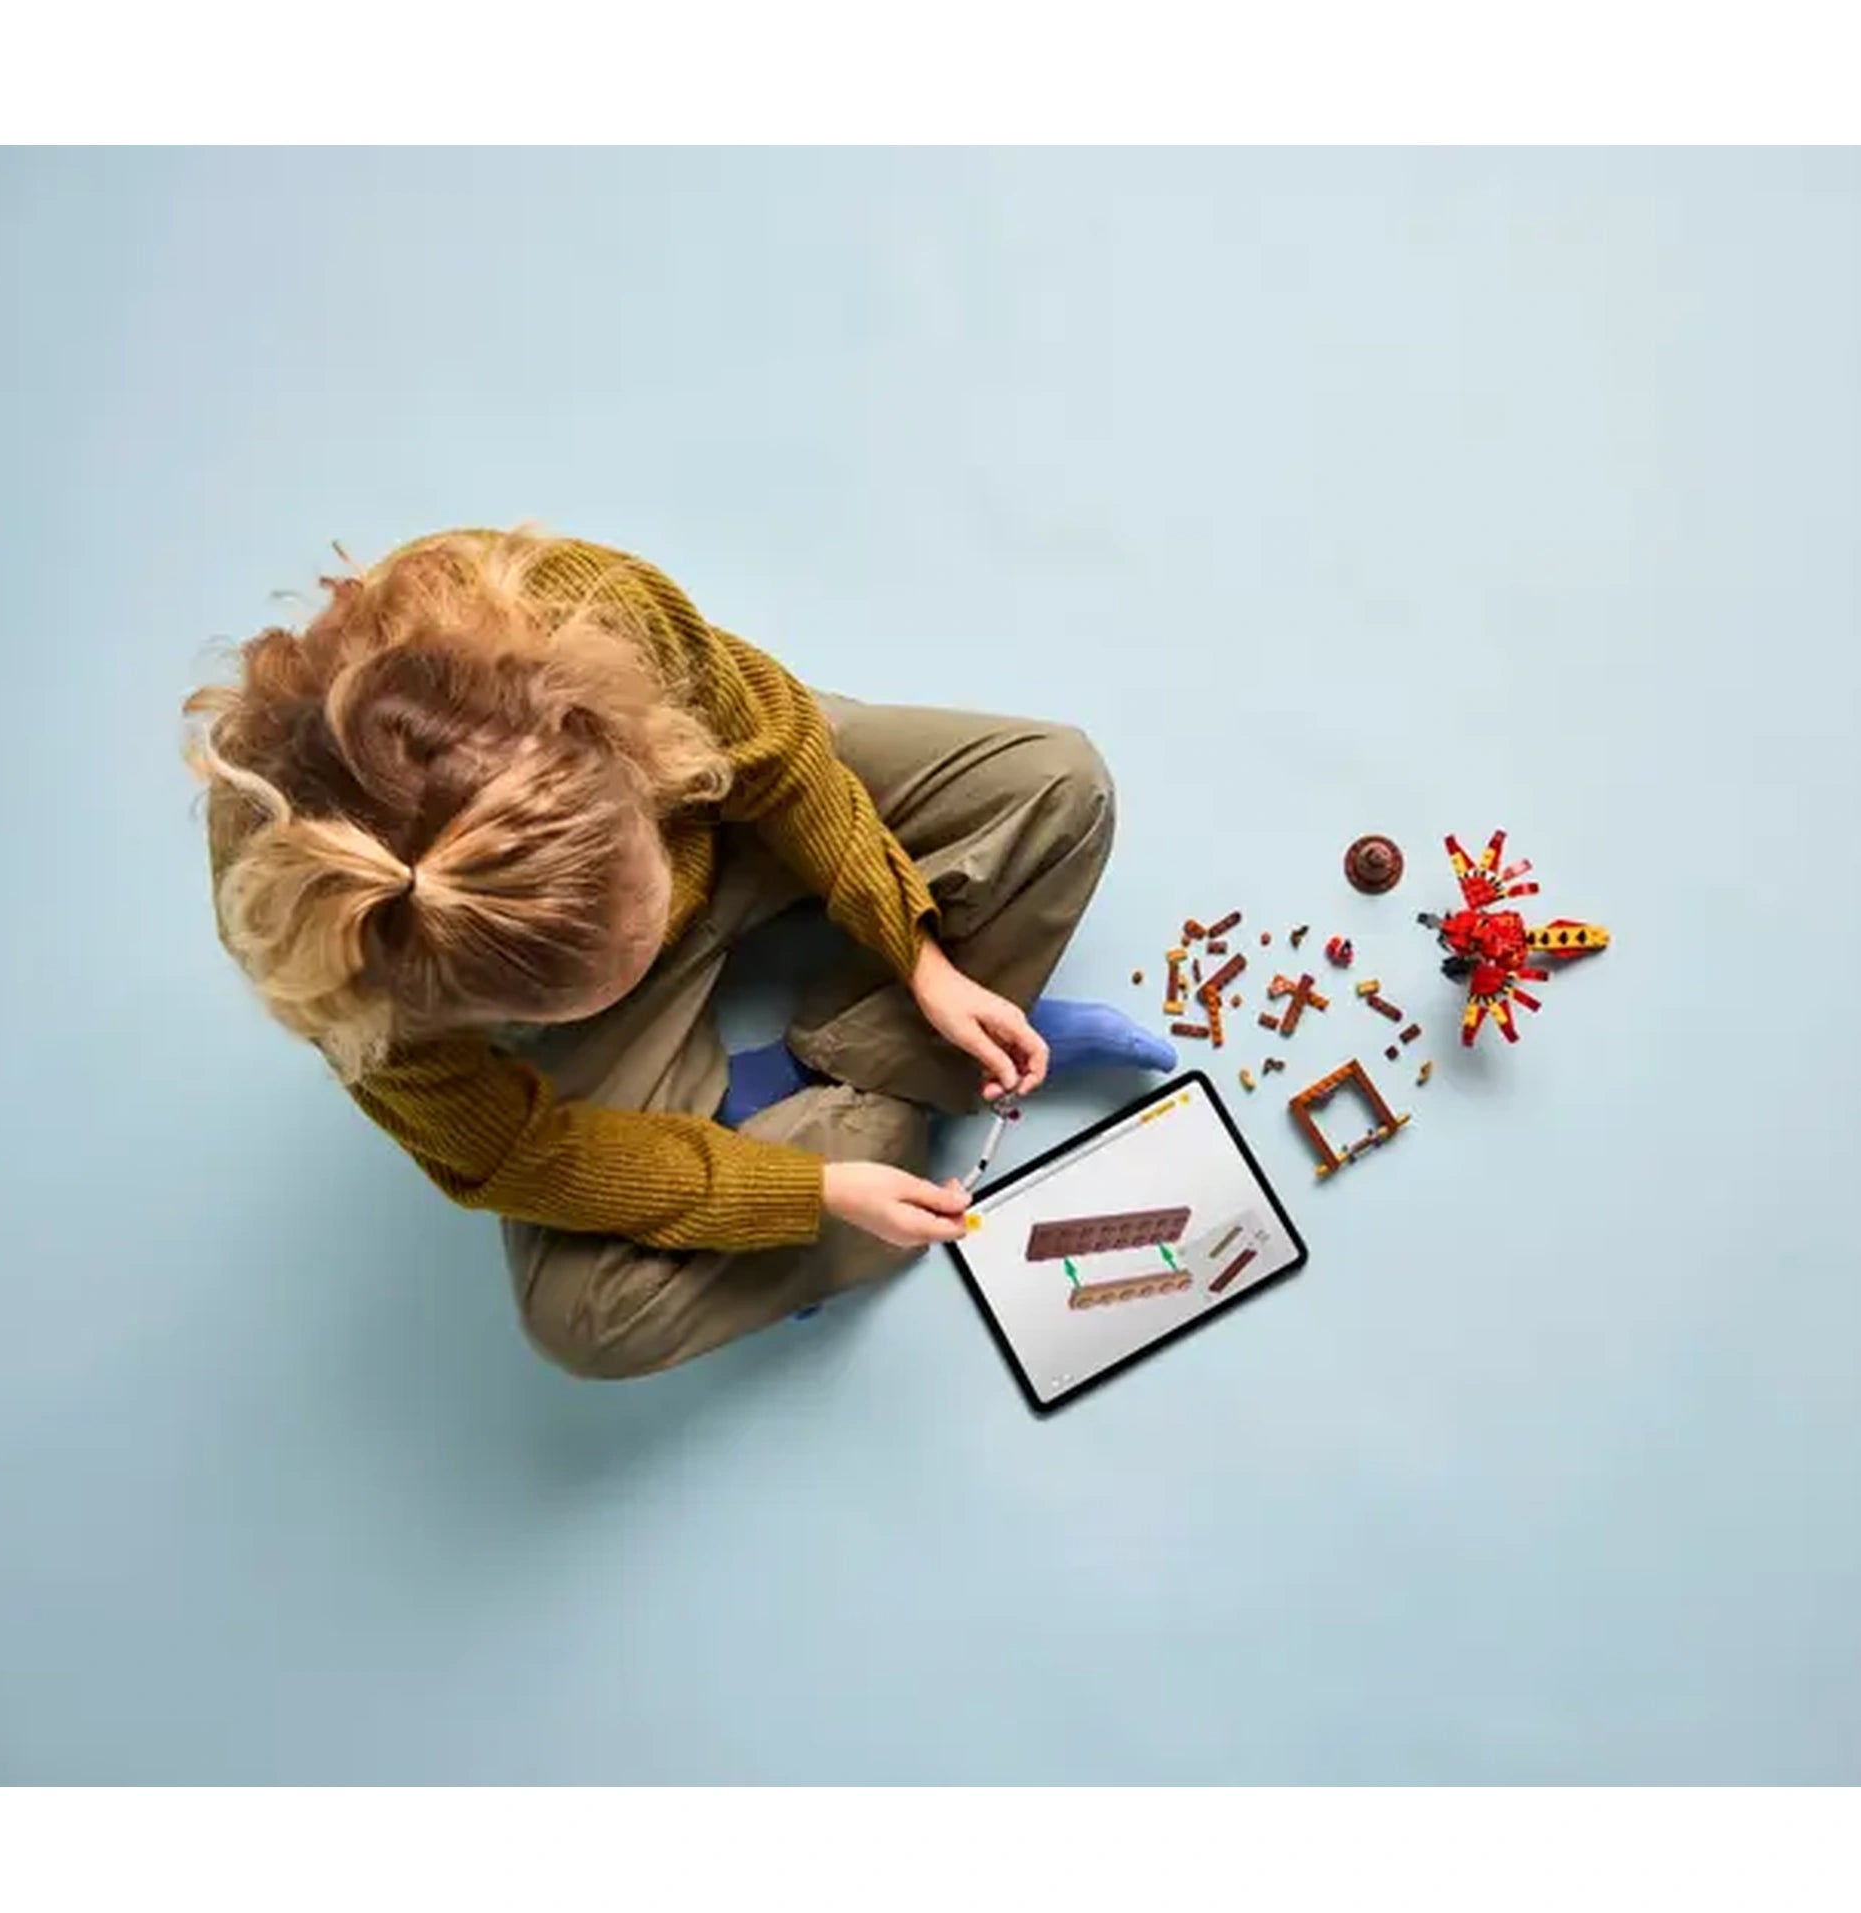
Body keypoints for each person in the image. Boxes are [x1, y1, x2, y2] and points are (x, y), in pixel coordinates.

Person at [186, 525, 1170, 1378]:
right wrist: (808, 1189)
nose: (663, 941)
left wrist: (921, 961)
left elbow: (783, 761)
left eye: (642, 911)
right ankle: (887, 1085)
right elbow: (521, 1155)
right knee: (585, 1322)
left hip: (728, 806)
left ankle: (863, 1064)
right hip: (570, 976)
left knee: (1057, 786)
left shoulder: (581, 610)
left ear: (617, 754)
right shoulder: (348, 970)